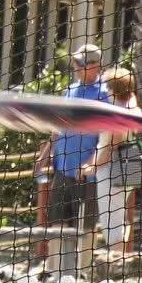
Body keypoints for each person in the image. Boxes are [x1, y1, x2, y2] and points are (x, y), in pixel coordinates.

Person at [33, 44, 109, 264]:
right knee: (57, 223)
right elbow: (58, 127)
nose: (76, 66)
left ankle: (83, 272)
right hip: (62, 170)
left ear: (95, 65)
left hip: (87, 176)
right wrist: (45, 155)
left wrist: (90, 164)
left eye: (81, 63)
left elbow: (107, 138)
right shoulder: (69, 90)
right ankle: (54, 269)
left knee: (85, 227)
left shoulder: (104, 94)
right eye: (75, 62)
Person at [83, 66, 142, 259]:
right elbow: (131, 96)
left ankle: (118, 263)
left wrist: (92, 168)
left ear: (112, 89)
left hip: (111, 170)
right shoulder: (131, 107)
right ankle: (121, 260)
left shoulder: (116, 113)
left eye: (107, 86)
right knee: (118, 217)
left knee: (111, 221)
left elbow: (112, 144)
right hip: (128, 167)